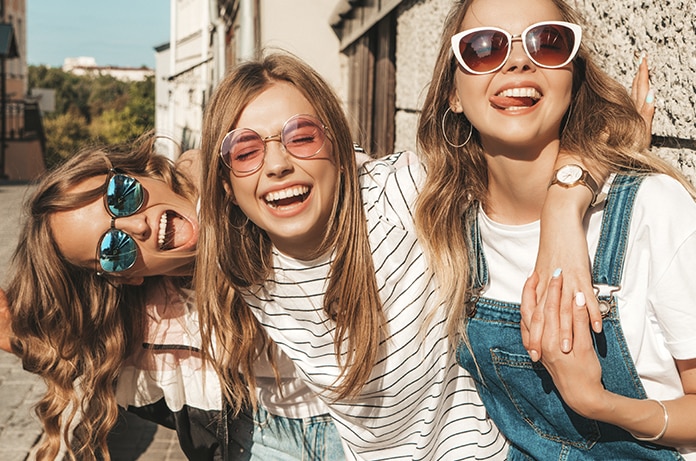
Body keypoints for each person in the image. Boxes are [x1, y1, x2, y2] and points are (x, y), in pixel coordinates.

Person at [194, 50, 640, 459]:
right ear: (226, 188)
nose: (276, 164)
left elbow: (577, 136)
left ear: (337, 146)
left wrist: (565, 203)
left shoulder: (399, 195)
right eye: (246, 150)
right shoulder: (242, 259)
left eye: (302, 136)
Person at [416, 0, 696, 459]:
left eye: (548, 42)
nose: (518, 60)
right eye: (483, 48)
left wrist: (599, 403)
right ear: (453, 92)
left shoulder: (651, 210)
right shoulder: (444, 228)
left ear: (572, 75)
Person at [3, 134, 344, 461]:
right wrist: (21, 338)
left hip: (379, 415)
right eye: (112, 247)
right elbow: (83, 351)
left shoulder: (248, 182)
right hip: (262, 437)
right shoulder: (159, 325)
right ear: (127, 276)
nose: (137, 227)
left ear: (142, 173)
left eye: (121, 197)